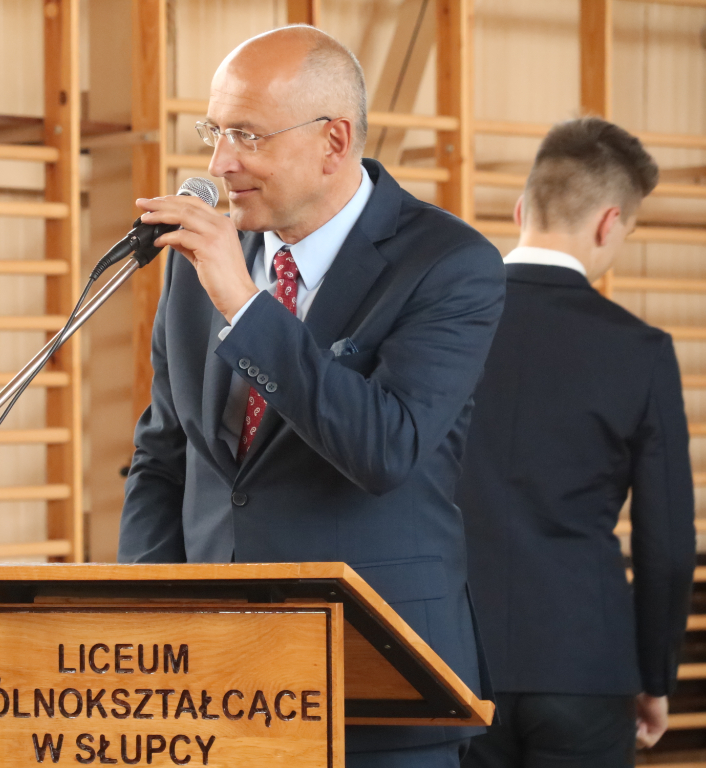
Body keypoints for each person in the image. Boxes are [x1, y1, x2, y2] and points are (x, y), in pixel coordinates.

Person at [116, 25, 505, 767]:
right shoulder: (196, 266)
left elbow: (384, 448)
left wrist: (247, 308)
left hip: (377, 680)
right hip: (211, 687)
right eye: (214, 132)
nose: (219, 163)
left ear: (334, 140)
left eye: (247, 135)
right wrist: (144, 622)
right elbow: (164, 458)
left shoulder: (449, 264)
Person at [457, 117, 696, 768]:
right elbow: (668, 546)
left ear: (520, 209)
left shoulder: (442, 330)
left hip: (451, 659)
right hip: (586, 663)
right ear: (609, 223)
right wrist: (655, 677)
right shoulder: (642, 351)